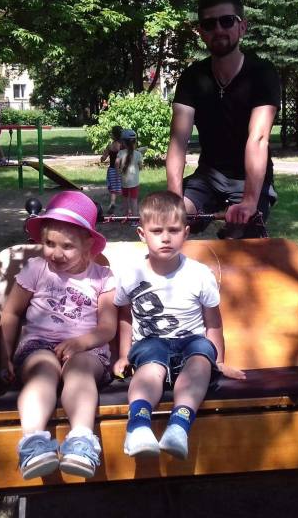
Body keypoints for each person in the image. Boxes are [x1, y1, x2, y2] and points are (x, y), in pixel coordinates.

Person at [113, 191, 245, 459]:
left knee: (201, 356)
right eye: (157, 231)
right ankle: (138, 427)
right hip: (150, 344)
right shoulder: (131, 274)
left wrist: (218, 361)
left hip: (190, 343)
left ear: (185, 233)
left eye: (173, 230)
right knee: (151, 366)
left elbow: (213, 322)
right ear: (142, 234)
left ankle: (179, 427)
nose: (165, 238)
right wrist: (124, 355)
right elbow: (125, 316)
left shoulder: (199, 274)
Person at [0, 191, 117, 480]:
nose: (56, 253)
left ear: (88, 244)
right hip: (38, 345)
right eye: (49, 243)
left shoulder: (102, 277)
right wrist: (5, 356)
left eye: (67, 246)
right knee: (42, 371)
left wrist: (80, 343)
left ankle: (81, 442)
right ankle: (33, 444)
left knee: (80, 372)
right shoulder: (37, 269)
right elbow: (11, 312)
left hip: (86, 349)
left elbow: (107, 328)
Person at [166, 0, 281, 238]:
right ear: (201, 32)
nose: (218, 29)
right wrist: (174, 201)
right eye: (209, 24)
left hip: (248, 180)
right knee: (170, 224)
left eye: (227, 21)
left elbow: (258, 138)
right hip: (208, 177)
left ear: (242, 27)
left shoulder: (262, 73)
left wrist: (249, 201)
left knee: (240, 239)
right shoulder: (192, 77)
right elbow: (178, 141)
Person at [116, 129, 144, 219]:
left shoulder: (120, 153)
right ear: (134, 142)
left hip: (124, 182)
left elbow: (117, 163)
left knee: (125, 199)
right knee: (134, 200)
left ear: (123, 142)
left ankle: (125, 216)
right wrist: (140, 167)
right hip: (134, 182)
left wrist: (118, 171)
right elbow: (140, 166)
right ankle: (134, 219)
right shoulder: (138, 154)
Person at [100, 125, 123, 214]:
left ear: (114, 135)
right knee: (122, 186)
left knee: (113, 188)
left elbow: (103, 158)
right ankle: (125, 204)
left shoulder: (110, 146)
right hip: (121, 169)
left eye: (111, 133)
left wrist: (102, 158)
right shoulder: (123, 146)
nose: (110, 135)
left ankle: (112, 203)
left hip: (112, 170)